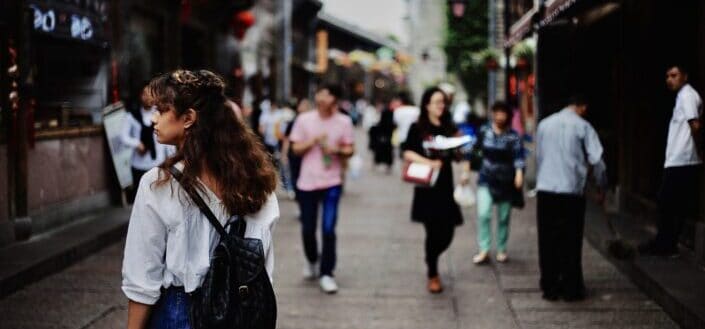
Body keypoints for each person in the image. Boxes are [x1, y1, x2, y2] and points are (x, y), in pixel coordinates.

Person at [121, 70, 280, 328]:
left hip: (180, 312)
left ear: (188, 118)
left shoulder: (159, 183)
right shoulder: (257, 181)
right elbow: (261, 266)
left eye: (161, 110)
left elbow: (142, 277)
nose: (153, 119)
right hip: (240, 310)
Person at [535, 94, 607, 302]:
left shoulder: (544, 124)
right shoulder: (583, 126)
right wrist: (601, 187)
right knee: (570, 240)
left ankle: (549, 286)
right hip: (571, 191)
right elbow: (597, 160)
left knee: (547, 240)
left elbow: (539, 156)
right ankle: (571, 288)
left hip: (546, 189)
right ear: (582, 107)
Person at [289, 84, 355, 294]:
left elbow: (350, 149)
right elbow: (295, 149)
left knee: (328, 229)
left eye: (327, 94)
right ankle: (311, 260)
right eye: (320, 93)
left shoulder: (344, 121)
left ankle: (327, 273)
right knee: (308, 229)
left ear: (334, 99)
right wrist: (313, 141)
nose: (321, 97)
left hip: (332, 182)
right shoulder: (304, 120)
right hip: (307, 182)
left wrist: (336, 150)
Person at [402, 86, 468, 294]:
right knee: (432, 231)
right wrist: (429, 162)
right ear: (426, 105)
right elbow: (407, 153)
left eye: (443, 102)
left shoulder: (449, 126)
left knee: (447, 231)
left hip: (445, 186)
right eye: (437, 102)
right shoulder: (418, 127)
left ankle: (432, 256)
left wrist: (462, 154)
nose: (441, 106)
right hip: (427, 186)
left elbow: (461, 154)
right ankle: (433, 272)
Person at [639, 65, 703, 256]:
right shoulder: (682, 96)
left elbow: (696, 125)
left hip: (682, 159)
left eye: (674, 75)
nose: (669, 79)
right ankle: (665, 243)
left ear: (685, 76)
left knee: (668, 202)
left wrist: (699, 149)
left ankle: (666, 244)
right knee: (671, 203)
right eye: (667, 76)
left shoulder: (687, 95)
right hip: (677, 158)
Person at [471, 102, 525, 264]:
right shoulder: (484, 131)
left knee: (503, 217)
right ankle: (484, 249)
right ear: (493, 114)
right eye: (497, 113)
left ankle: (501, 248)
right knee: (483, 214)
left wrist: (519, 174)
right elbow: (474, 150)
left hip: (506, 181)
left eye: (503, 113)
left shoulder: (513, 136)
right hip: (486, 178)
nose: (500, 116)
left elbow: (518, 156)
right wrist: (467, 170)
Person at [120, 84, 176, 202]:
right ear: (140, 96)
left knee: (158, 199)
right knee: (140, 199)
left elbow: (167, 138)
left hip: (158, 163)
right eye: (145, 94)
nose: (148, 97)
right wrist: (137, 143)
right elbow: (123, 137)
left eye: (152, 93)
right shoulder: (132, 115)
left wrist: (170, 158)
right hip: (138, 165)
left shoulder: (161, 114)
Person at [282, 98, 312, 203]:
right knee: (295, 177)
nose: (302, 108)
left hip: (308, 155)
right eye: (301, 105)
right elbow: (286, 139)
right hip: (294, 154)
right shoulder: (293, 122)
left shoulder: (313, 123)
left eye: (304, 106)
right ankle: (300, 199)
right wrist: (284, 154)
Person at [369, 108, 396, 173]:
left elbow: (372, 131)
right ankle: (388, 167)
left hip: (380, 142)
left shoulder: (379, 124)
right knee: (388, 155)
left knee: (379, 154)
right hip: (388, 142)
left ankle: (375, 164)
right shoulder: (392, 125)